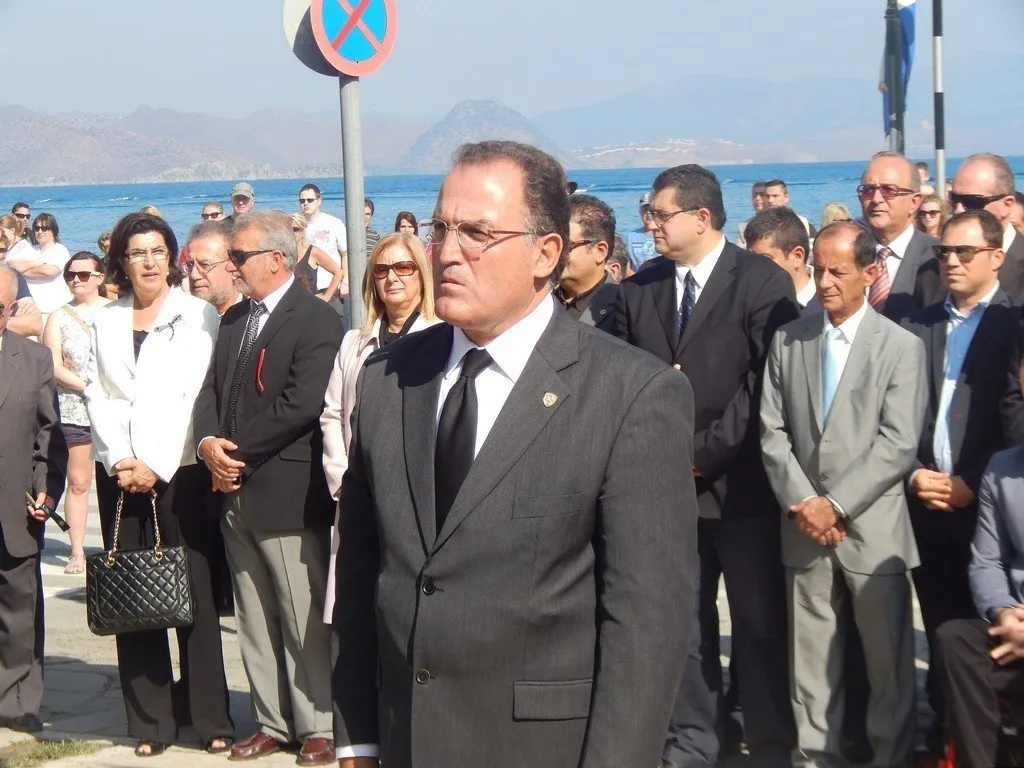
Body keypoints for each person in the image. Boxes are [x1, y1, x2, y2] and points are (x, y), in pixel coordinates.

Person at [333, 140, 697, 768]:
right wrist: (357, 737)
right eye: (441, 228)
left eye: (476, 233)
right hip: (406, 739)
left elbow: (646, 624)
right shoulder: (388, 378)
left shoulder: (630, 394)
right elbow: (364, 574)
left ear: (546, 252)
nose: (446, 252)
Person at [611, 164, 798, 768]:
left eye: (661, 215)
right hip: (665, 495)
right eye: (649, 214)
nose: (651, 225)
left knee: (759, 629)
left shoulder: (761, 281)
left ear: (701, 217)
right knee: (683, 632)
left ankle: (769, 746)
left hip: (742, 492)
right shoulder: (640, 288)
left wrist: (698, 457)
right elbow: (622, 383)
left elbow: (764, 386)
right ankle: (694, 747)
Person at [760, 221, 926, 768]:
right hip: (803, 530)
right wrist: (804, 504)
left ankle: (890, 757)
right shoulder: (790, 340)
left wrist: (833, 505)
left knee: (888, 665)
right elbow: (772, 432)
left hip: (873, 532)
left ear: (870, 272)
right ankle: (815, 758)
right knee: (809, 663)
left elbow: (898, 443)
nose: (825, 281)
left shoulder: (900, 347)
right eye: (819, 269)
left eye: (838, 271)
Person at [194, 210, 342, 766]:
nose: (231, 265)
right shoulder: (235, 319)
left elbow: (301, 404)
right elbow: (211, 391)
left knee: (301, 614)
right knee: (253, 614)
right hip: (232, 490)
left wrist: (235, 453)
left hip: (285, 491)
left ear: (276, 259)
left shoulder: (316, 319)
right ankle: (273, 722)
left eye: (239, 256)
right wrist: (208, 444)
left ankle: (318, 724)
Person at [84, 212, 233, 758]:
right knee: (135, 594)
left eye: (157, 251)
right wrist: (121, 457)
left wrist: (156, 463)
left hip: (180, 472)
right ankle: (151, 721)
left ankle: (210, 716)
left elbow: (198, 396)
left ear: (172, 257)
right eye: (136, 253)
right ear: (120, 262)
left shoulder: (197, 315)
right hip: (120, 474)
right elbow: (98, 393)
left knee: (193, 595)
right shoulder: (103, 319)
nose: (148, 262)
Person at [900, 209, 1019, 759]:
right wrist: (913, 471)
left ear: (996, 257)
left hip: (989, 505)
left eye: (964, 252)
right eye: (944, 251)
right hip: (926, 502)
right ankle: (945, 734)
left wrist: (974, 479)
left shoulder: (1015, 325)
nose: (951, 261)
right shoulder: (918, 325)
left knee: (986, 629)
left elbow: (1013, 419)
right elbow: (895, 412)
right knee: (942, 626)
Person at [320, 233, 439, 622]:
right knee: (357, 608)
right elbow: (333, 413)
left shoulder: (444, 338)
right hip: (356, 494)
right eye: (382, 269)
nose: (393, 277)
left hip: (415, 500)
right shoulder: (354, 342)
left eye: (404, 267)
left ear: (421, 274)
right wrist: (341, 477)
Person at [0, 264, 67, 735]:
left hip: (14, 505)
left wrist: (47, 487)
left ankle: (18, 701)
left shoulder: (35, 358)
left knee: (19, 608)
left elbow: (49, 434)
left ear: (11, 309)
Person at [935, 444, 1024, 768]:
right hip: (1016, 620)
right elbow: (987, 561)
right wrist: (1004, 613)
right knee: (955, 640)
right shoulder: (1002, 466)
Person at [42, 252, 110, 575]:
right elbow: (52, 364)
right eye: (70, 275)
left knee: (118, 479)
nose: (75, 280)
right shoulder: (59, 316)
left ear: (100, 277)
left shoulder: (117, 311)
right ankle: (77, 550)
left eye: (83, 275)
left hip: (114, 409)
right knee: (79, 482)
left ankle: (117, 546)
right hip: (74, 408)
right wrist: (88, 387)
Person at [857, 151, 943, 322]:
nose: (876, 199)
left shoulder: (937, 260)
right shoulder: (851, 254)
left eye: (888, 190)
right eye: (868, 190)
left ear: (914, 202)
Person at [947, 153, 1024, 300]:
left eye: (972, 202)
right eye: (954, 199)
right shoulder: (933, 270)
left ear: (1007, 205)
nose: (958, 210)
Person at [554, 194, 619, 332]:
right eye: (551, 243)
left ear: (600, 251)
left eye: (566, 246)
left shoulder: (624, 309)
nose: (553, 253)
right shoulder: (539, 300)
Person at [744, 207, 817, 310]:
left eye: (764, 260)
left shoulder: (825, 304)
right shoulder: (745, 303)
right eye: (750, 259)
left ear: (797, 256)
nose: (753, 269)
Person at [7, 213, 72, 320]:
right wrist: (37, 264)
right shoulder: (30, 249)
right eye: (37, 228)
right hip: (28, 310)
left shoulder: (59, 250)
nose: (40, 231)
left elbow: (48, 271)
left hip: (52, 310)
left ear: (54, 231)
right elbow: (11, 266)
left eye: (45, 228)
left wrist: (22, 270)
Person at [299, 183, 348, 315]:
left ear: (319, 201)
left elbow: (346, 253)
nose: (305, 203)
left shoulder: (333, 223)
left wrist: (346, 282)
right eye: (302, 201)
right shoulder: (298, 226)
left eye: (310, 200)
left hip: (331, 288)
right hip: (306, 291)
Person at [290, 213, 344, 312]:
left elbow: (338, 272)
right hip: (289, 307)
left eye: (295, 229)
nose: (292, 233)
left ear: (303, 231)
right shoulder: (283, 254)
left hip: (310, 308)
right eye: (288, 230)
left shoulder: (312, 252)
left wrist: (326, 296)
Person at [186, 220, 240, 316]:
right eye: (189, 265)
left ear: (234, 267)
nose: (194, 275)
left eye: (204, 265)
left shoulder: (254, 318)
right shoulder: (182, 317)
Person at [0, 229, 42, 337]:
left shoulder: (14, 277)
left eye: (1, 250)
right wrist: (8, 318)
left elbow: (35, 325)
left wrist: (5, 320)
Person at [625, 192, 657, 270]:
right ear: (640, 211)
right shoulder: (630, 237)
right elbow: (627, 268)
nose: (648, 213)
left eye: (651, 210)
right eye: (645, 210)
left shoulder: (664, 235)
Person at [736, 180, 767, 247]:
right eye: (754, 195)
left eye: (762, 195)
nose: (757, 198)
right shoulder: (743, 226)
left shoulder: (783, 223)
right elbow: (739, 250)